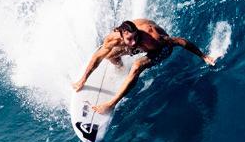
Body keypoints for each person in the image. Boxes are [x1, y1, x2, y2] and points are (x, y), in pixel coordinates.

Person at [72, 18, 216, 114]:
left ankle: (112, 103)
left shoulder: (153, 38)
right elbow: (97, 56)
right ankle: (120, 69)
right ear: (121, 35)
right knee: (109, 55)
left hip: (161, 49)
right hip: (138, 44)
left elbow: (179, 41)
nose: (134, 41)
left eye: (136, 37)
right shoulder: (112, 38)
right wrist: (83, 79)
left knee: (136, 65)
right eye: (129, 38)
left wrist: (204, 56)